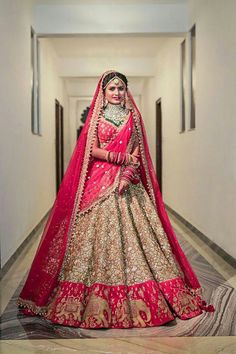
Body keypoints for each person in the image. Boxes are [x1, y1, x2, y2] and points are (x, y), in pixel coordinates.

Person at [17, 70, 214, 328]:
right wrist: (119, 160)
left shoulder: (133, 117)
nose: (117, 92)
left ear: (126, 91)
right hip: (99, 183)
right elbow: (93, 150)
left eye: (121, 88)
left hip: (127, 185)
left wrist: (127, 174)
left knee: (141, 240)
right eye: (112, 88)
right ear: (104, 92)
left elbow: (137, 151)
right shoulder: (96, 117)